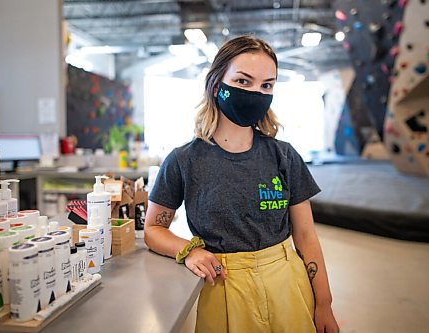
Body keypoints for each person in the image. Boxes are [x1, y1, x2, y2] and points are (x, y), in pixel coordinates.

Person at [144, 35, 339, 333]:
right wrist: (189, 250)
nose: (256, 93)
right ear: (216, 85)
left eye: (267, 85)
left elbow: (306, 236)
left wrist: (324, 303)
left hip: (287, 282)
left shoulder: (284, 156)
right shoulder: (183, 160)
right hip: (224, 288)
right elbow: (153, 229)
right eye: (243, 81)